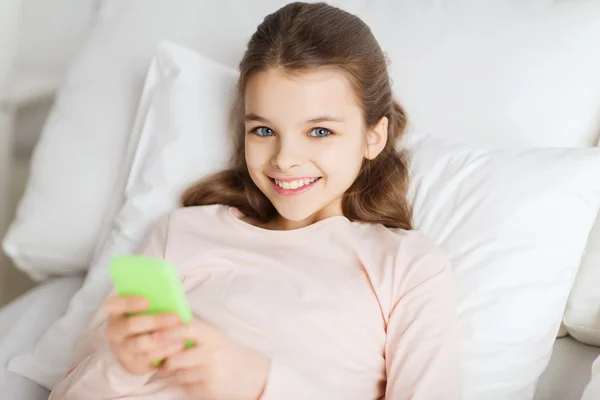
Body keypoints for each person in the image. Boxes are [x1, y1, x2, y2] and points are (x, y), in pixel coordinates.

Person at [49, 2, 461, 399]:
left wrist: (261, 383)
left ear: (374, 136)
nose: (284, 160)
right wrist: (121, 367)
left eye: (319, 131)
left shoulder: (406, 266)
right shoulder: (181, 233)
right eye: (264, 131)